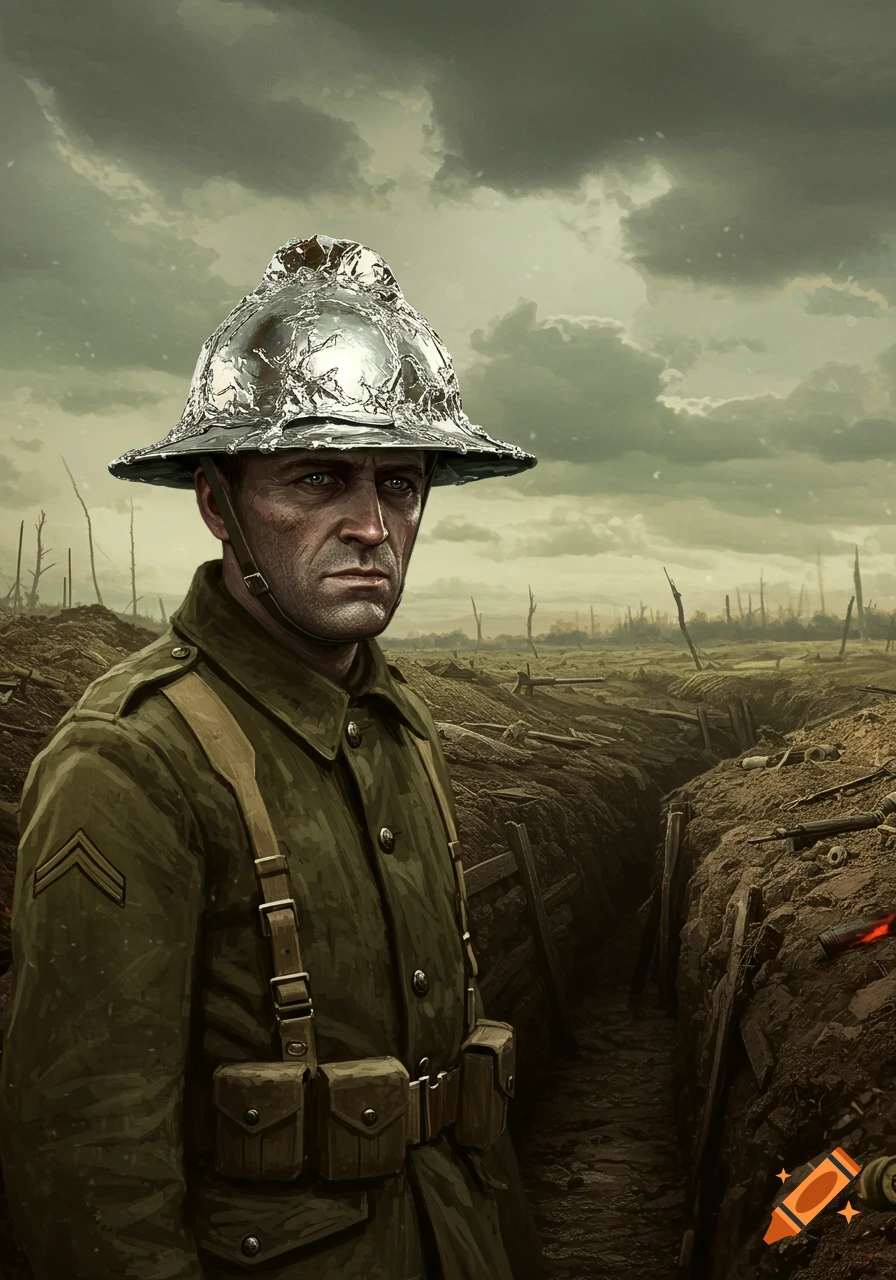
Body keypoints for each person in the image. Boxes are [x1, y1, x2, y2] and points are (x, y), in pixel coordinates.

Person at [0, 234, 543, 1279]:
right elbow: (91, 1173)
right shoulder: (130, 764)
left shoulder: (399, 726)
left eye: (400, 482)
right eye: (318, 478)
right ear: (218, 503)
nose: (371, 525)